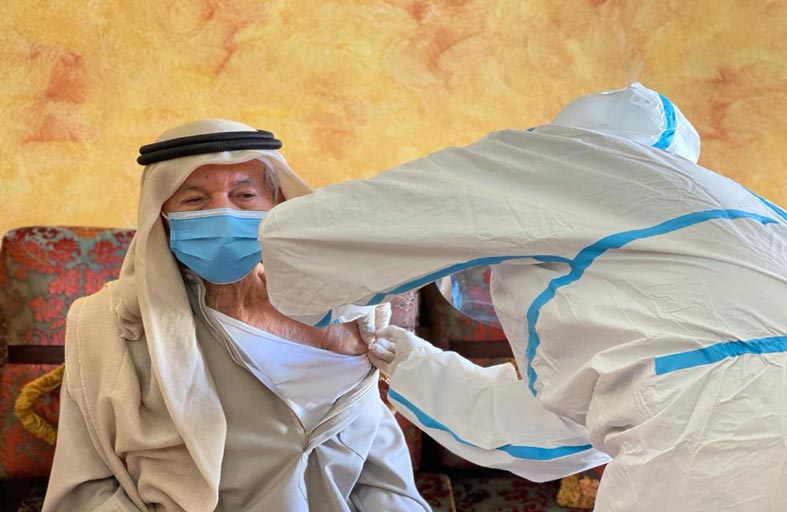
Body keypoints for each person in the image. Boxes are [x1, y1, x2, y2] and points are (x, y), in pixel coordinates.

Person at [258, 84, 787, 511]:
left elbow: (331, 231)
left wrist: (282, 257)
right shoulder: (757, 218)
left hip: (715, 453)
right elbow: (553, 428)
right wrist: (409, 361)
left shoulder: (577, 163)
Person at [43, 119, 429, 512]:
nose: (222, 214)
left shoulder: (345, 315)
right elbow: (86, 490)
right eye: (194, 200)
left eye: (244, 195)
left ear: (278, 206)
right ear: (161, 218)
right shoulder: (106, 324)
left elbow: (383, 478)